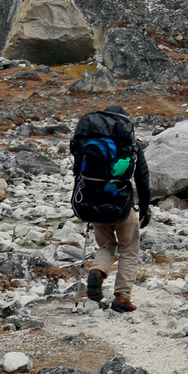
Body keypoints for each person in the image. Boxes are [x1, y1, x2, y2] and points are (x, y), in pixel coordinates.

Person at [71, 104, 150, 313]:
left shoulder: (90, 142)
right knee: (129, 249)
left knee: (106, 245)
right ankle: (122, 298)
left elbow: (77, 173)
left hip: (94, 202)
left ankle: (98, 270)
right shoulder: (131, 145)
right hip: (121, 204)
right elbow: (142, 179)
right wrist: (145, 209)